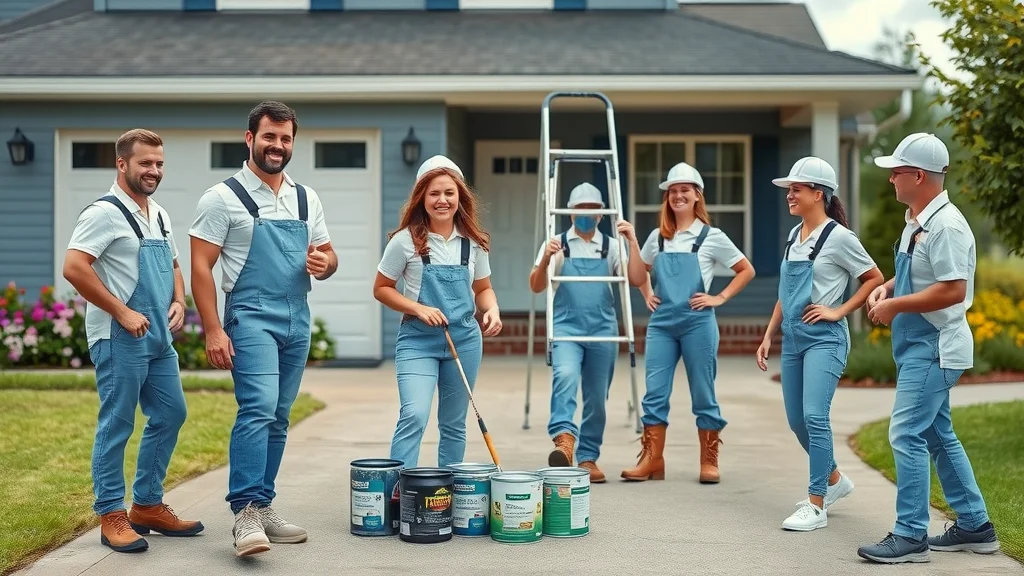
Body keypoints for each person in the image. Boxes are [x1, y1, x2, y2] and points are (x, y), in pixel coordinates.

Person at [189, 101, 338, 557]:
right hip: (249, 313)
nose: (278, 145)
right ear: (250, 138)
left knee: (279, 414)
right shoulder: (221, 198)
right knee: (257, 407)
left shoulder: (305, 197)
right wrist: (214, 330)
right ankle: (245, 514)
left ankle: (264, 504)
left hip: (297, 313)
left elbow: (329, 257)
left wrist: (324, 263)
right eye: (269, 136)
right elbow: (200, 266)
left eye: (286, 138)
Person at [857, 133, 999, 563]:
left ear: (918, 176)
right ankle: (976, 526)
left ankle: (910, 536)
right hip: (918, 345)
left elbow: (953, 290)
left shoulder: (947, 226)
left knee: (905, 433)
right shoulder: (917, 221)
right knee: (937, 434)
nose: (891, 181)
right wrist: (887, 287)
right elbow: (917, 274)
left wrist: (895, 306)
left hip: (935, 347)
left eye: (896, 172)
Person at [63, 128, 203, 554]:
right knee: (118, 422)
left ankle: (146, 504)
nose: (154, 171)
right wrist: (121, 311)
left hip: (159, 336)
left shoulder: (157, 212)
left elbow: (175, 264)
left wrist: (179, 299)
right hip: (118, 337)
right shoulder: (103, 213)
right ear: (122, 164)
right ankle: (111, 513)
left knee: (172, 413)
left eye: (159, 163)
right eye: (145, 163)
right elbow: (74, 267)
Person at [755, 157, 884, 532]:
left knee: (815, 416)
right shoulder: (794, 238)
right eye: (789, 190)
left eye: (796, 189)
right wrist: (768, 336)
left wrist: (837, 310)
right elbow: (785, 293)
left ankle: (816, 503)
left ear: (819, 194)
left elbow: (873, 278)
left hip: (825, 340)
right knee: (798, 423)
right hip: (793, 340)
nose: (789, 195)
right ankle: (835, 481)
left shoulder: (840, 237)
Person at [617, 161, 755, 484]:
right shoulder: (657, 237)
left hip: (698, 324)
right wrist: (635, 247)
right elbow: (637, 276)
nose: (677, 196)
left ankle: (709, 460)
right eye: (672, 191)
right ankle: (653, 460)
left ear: (697, 196)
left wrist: (718, 299)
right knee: (654, 393)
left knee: (703, 391)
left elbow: (746, 270)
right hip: (662, 324)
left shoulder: (712, 237)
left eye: (684, 190)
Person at [373, 155, 502, 470]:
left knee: (454, 422)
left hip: (465, 340)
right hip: (418, 341)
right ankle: (398, 492)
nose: (442, 200)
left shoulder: (474, 243)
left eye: (449, 193)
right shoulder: (404, 242)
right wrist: (418, 308)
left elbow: (483, 289)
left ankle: (449, 492)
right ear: (422, 198)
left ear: (460, 196)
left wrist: (493, 310)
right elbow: (382, 288)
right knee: (414, 414)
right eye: (434, 193)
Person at [528, 182, 627, 483]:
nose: (586, 214)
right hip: (567, 326)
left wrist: (631, 242)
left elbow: (633, 279)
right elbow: (535, 286)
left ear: (601, 215)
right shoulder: (558, 243)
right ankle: (564, 440)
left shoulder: (611, 246)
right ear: (570, 213)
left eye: (592, 210)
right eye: (580, 209)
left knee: (597, 396)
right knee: (566, 377)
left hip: (602, 329)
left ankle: (588, 457)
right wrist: (546, 258)